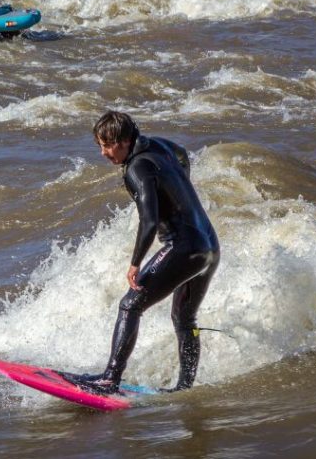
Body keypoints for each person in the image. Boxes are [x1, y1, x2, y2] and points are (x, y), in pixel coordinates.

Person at [72, 110, 220, 394]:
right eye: (100, 145)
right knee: (185, 318)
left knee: (130, 305)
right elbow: (182, 155)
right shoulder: (159, 145)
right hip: (209, 246)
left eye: (108, 145)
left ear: (126, 141)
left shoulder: (136, 168)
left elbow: (149, 221)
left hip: (184, 247)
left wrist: (135, 263)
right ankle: (184, 387)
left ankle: (109, 379)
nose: (103, 153)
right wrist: (178, 189)